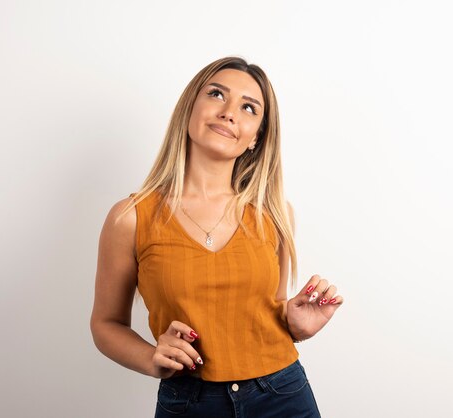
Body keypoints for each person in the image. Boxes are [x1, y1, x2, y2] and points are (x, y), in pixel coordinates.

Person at [90, 56, 344, 417]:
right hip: (188, 402)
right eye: (216, 94)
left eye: (248, 107)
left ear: (256, 136)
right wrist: (151, 358)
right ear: (190, 109)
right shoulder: (130, 217)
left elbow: (265, 310)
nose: (229, 113)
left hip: (282, 395)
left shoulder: (275, 214)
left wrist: (296, 326)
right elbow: (105, 324)